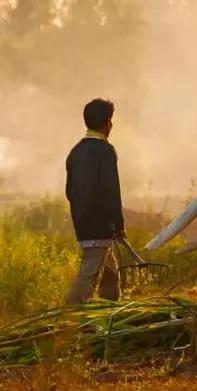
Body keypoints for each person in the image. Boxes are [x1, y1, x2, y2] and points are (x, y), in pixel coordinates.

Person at [64, 98, 126, 303]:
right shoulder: (105, 151)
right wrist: (118, 224)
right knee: (89, 271)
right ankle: (72, 311)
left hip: (81, 222)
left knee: (109, 267)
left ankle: (110, 305)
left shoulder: (75, 152)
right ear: (107, 123)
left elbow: (69, 191)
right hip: (99, 224)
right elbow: (111, 190)